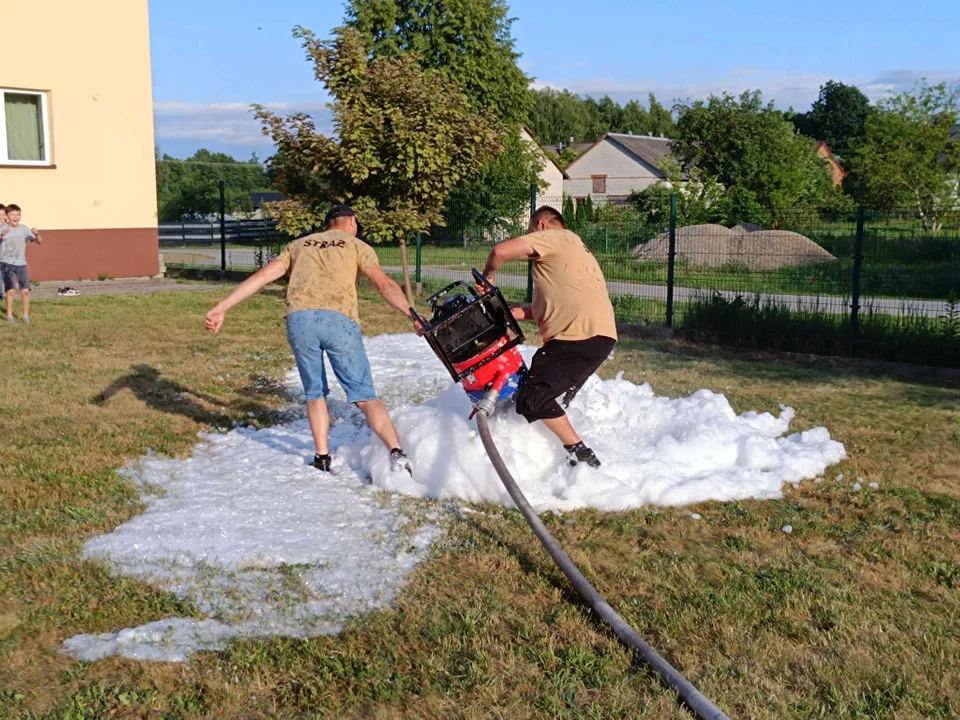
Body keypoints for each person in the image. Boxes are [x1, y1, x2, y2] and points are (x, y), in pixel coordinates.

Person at [205, 205, 417, 474]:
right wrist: (412, 314)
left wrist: (222, 307)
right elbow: (384, 284)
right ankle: (396, 452)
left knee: (315, 392)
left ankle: (322, 456)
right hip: (338, 320)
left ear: (328, 224)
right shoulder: (355, 244)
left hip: (300, 321)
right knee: (364, 395)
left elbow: (263, 277)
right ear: (351, 222)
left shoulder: (298, 245)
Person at [481, 206, 617, 468]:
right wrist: (509, 314)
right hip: (598, 336)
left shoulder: (555, 237)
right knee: (552, 399)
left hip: (575, 337)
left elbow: (499, 251)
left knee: (532, 399)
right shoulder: (572, 250)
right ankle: (557, 459)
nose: (531, 242)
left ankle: (582, 457)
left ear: (541, 225)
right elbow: (542, 309)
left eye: (531, 232)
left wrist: (488, 276)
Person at [0, 204, 43, 324]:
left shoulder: (24, 229)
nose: (16, 217)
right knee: (11, 291)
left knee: (25, 291)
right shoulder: (2, 228)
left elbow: (39, 242)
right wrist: (1, 235)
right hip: (6, 263)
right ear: (7, 216)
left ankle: (25, 316)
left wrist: (37, 234)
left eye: (18, 214)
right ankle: (9, 317)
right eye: (12, 214)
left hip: (20, 263)